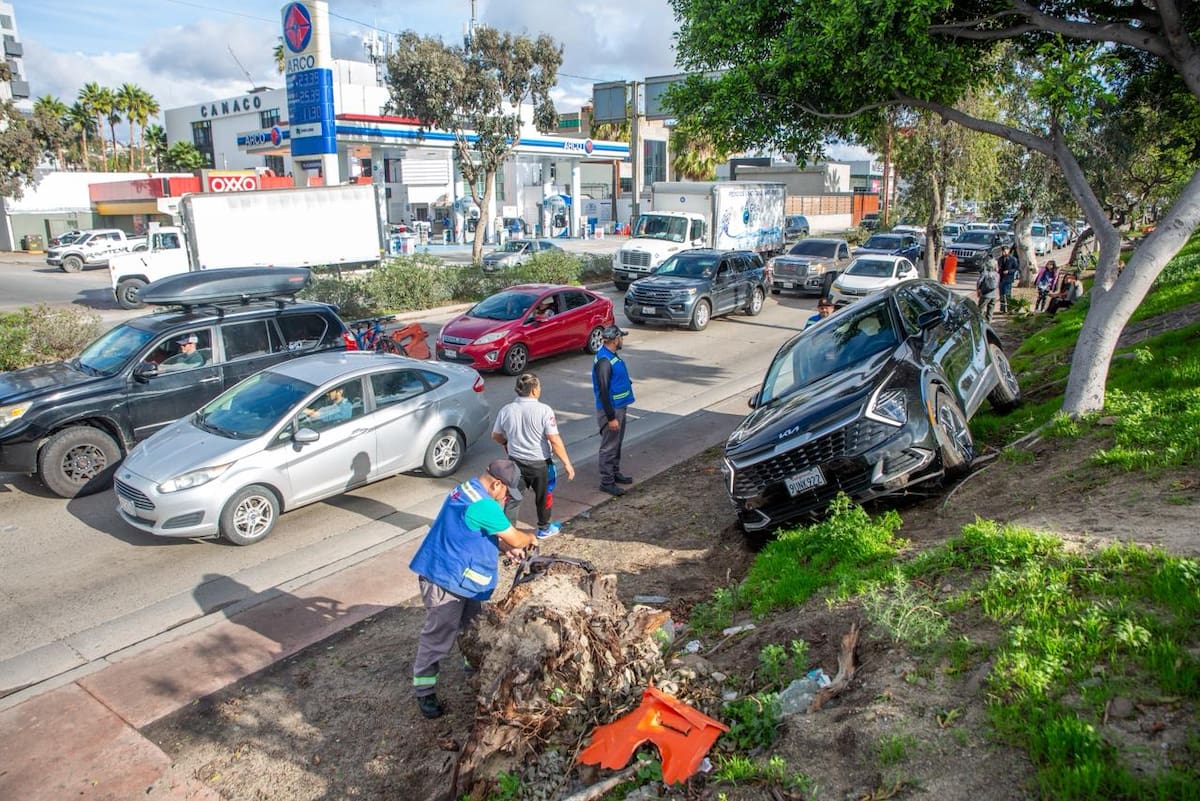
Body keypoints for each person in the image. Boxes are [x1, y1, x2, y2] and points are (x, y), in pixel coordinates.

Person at [409, 459, 537, 719]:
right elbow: (514, 536)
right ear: (496, 484)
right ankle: (424, 690)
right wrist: (530, 538)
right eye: (505, 494)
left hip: (460, 577)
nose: (505, 500)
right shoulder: (484, 505)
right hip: (445, 579)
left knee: (473, 627)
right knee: (439, 635)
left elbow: (476, 532)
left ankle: (474, 666)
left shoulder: (467, 489)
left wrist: (504, 548)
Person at [491, 373, 576, 539]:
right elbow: (554, 439)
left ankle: (507, 535)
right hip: (540, 464)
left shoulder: (506, 410)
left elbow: (496, 435)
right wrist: (567, 463)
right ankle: (544, 528)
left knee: (513, 499)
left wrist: (506, 444)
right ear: (535, 390)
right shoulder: (544, 410)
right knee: (544, 496)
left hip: (515, 463)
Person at [591, 325, 635, 496]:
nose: (622, 340)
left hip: (619, 407)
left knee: (616, 443)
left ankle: (615, 473)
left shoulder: (610, 356)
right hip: (611, 411)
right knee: (609, 446)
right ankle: (607, 481)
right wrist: (611, 418)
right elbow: (603, 390)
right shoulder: (604, 361)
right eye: (621, 337)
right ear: (615, 339)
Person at [976, 256, 1000, 322]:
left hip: (985, 294)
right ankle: (989, 322)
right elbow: (997, 284)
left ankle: (980, 321)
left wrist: (978, 290)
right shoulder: (997, 274)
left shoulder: (984, 273)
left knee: (980, 309)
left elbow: (979, 282)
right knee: (991, 309)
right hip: (994, 295)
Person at [998, 247, 1020, 314]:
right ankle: (1003, 309)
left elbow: (1016, 268)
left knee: (1008, 295)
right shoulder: (1000, 259)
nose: (1004, 252)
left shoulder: (1013, 259)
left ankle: (1010, 309)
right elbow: (998, 267)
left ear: (1008, 251)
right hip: (1001, 279)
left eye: (1005, 251)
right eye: (1003, 251)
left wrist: (1009, 271)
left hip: (1008, 279)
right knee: (1001, 295)